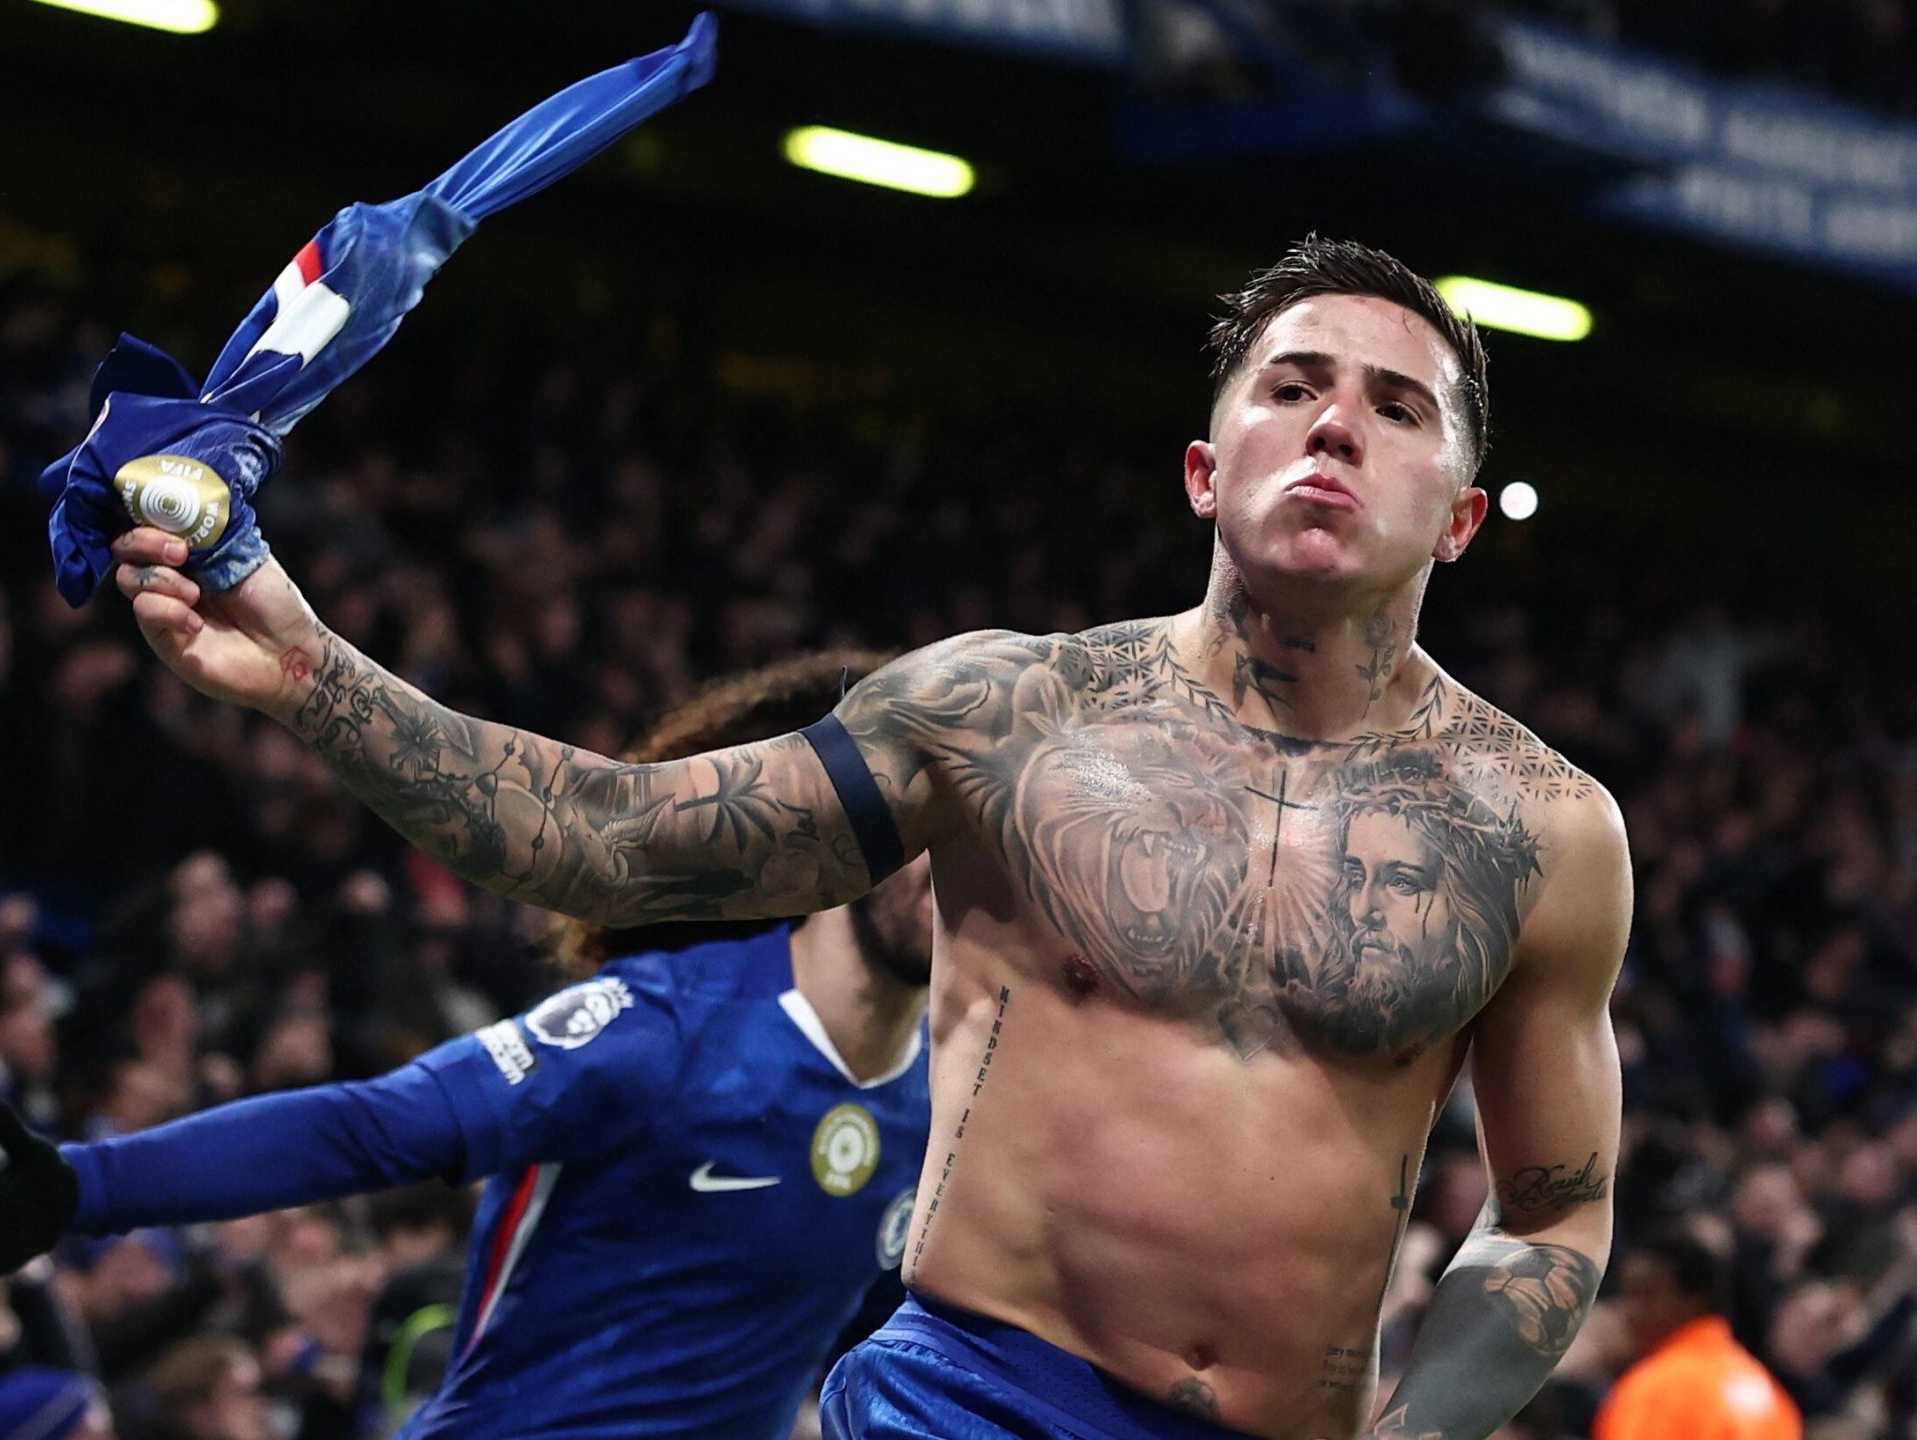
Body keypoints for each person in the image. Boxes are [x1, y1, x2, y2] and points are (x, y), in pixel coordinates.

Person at [98, 235, 1631, 1440]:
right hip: (966, 1403)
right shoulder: (1006, 716)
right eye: (1291, 387)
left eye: (1396, 407)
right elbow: (601, 840)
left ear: (1461, 518)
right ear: (1203, 468)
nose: (1336, 425)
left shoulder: (1546, 831)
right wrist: (307, 668)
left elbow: (1554, 1206)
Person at [0, 653, 936, 1440]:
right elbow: (373, 1127)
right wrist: (87, 1185)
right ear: (844, 838)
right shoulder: (665, 1029)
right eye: (930, 824)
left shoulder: (942, 1099)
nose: (959, 865)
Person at [1594, 1230, 1801, 1440]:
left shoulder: (1660, 1388)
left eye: (1646, 1295)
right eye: (1627, 1294)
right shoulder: (1767, 1392)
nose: (1629, 1310)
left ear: (1695, 1299)